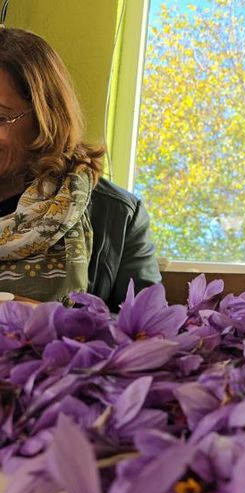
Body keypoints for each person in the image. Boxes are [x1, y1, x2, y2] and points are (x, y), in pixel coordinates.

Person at [0, 27, 160, 310]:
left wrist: (55, 322)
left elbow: (150, 332)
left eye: (0, 118)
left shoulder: (117, 216)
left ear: (46, 118)